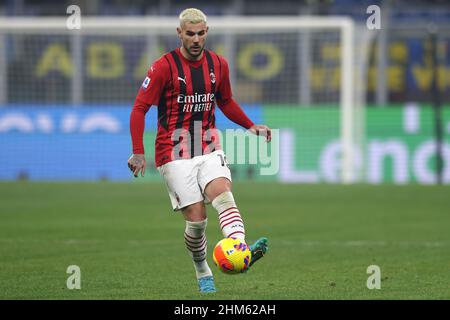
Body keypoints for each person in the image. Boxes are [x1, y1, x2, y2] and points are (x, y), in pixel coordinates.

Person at [128, 8, 271, 293]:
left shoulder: (219, 64)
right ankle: (202, 268)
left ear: (207, 32)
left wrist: (250, 125)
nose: (195, 39)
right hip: (172, 151)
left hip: (207, 145)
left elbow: (226, 101)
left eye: (200, 33)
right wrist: (138, 151)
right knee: (196, 220)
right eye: (190, 34)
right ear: (179, 33)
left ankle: (240, 250)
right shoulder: (162, 67)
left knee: (223, 193)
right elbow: (139, 108)